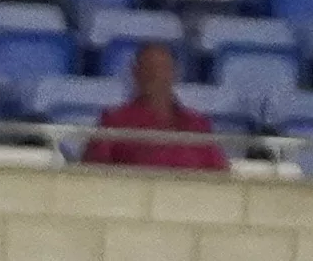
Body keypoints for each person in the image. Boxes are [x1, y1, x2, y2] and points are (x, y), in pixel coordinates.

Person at [82, 40, 228, 172]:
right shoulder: (114, 121)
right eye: (149, 68)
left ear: (175, 73)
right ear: (135, 73)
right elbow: (93, 175)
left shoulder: (197, 124)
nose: (156, 75)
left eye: (163, 68)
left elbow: (220, 175)